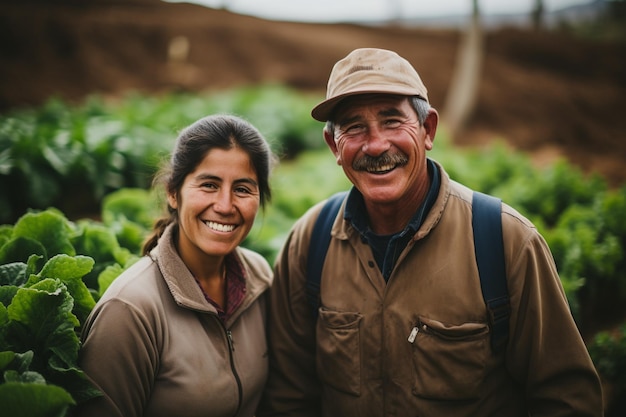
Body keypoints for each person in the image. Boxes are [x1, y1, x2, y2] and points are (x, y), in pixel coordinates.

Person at [258, 48, 603, 416]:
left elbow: (567, 398)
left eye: (392, 121)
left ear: (428, 130)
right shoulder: (310, 241)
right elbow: (289, 396)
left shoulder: (504, 240)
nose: (375, 145)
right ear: (334, 147)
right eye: (354, 127)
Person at [78, 114, 276, 417]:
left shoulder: (260, 277)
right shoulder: (130, 310)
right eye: (208, 185)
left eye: (243, 189)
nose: (225, 205)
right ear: (173, 192)